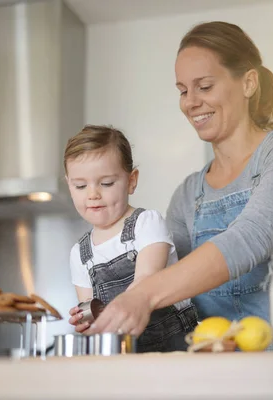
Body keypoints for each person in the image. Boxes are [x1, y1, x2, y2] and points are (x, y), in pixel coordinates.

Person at [86, 21, 273, 338]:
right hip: (218, 367)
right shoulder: (188, 194)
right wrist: (107, 309)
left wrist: (143, 295)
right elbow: (169, 286)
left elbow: (248, 239)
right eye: (183, 91)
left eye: (204, 87)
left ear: (248, 83)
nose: (190, 102)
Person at [64, 125, 198, 352]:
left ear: (132, 181)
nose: (92, 194)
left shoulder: (146, 224)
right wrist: (87, 321)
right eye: (80, 185)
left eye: (106, 183)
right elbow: (91, 312)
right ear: (69, 185)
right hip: (124, 356)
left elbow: (145, 282)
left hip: (175, 348)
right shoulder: (80, 254)